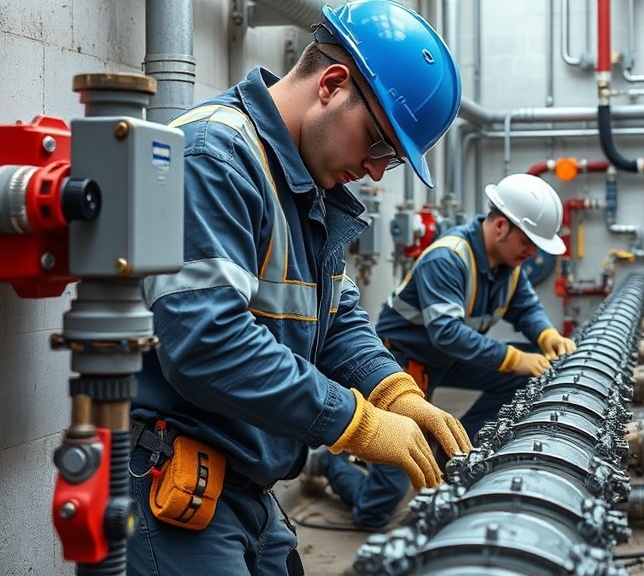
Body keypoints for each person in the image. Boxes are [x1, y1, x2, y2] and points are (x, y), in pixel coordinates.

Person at [125, 2, 470, 574]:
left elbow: (335, 319)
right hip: (176, 483)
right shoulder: (214, 156)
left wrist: (393, 392)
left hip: (246, 491)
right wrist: (354, 421)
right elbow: (208, 343)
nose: (379, 170)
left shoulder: (303, 186)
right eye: (381, 144)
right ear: (333, 85)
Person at [310, 173, 578, 529]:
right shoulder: (448, 259)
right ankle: (332, 466)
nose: (533, 253)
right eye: (529, 242)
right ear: (500, 227)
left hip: (448, 360)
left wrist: (546, 336)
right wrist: (516, 358)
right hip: (403, 363)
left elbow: (526, 308)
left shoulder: (510, 267)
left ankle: (456, 451)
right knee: (384, 499)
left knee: (530, 375)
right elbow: (447, 333)